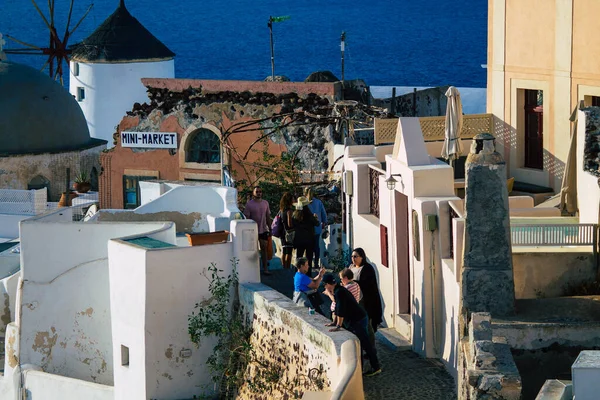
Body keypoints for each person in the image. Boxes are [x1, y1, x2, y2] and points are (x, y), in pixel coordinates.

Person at [322, 273, 382, 377]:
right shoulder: (339, 290)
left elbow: (340, 310)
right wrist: (334, 322)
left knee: (365, 344)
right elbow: (337, 308)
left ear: (328, 284)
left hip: (357, 320)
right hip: (358, 318)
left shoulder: (339, 292)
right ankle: (366, 368)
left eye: (325, 285)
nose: (325, 288)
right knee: (363, 344)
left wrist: (338, 326)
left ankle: (375, 367)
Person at [349, 247, 383, 333]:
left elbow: (367, 284)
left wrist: (352, 282)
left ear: (362, 257)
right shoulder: (351, 267)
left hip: (364, 300)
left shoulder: (367, 268)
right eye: (352, 256)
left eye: (355, 256)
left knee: (367, 323)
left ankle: (370, 345)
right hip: (353, 299)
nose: (353, 259)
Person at [244, 186, 272, 275]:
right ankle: (252, 269)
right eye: (257, 192)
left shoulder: (265, 203)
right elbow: (247, 218)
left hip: (263, 229)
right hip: (252, 230)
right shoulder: (249, 204)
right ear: (253, 193)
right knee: (253, 250)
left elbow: (268, 216)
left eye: (260, 191)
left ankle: (265, 268)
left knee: (264, 248)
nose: (259, 193)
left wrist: (270, 228)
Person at [291, 196, 319, 276]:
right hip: (309, 239)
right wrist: (315, 218)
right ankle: (308, 274)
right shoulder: (309, 215)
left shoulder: (295, 215)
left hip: (299, 239)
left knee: (298, 257)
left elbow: (293, 225)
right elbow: (316, 224)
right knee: (309, 258)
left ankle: (298, 274)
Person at [305, 187, 328, 269]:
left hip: (307, 229)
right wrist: (324, 222)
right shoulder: (318, 202)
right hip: (317, 228)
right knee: (316, 246)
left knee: (309, 247)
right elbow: (323, 213)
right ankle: (316, 264)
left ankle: (309, 264)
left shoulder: (305, 203)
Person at [278, 192, 294, 269]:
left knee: (284, 250)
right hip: (289, 233)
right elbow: (290, 224)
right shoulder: (289, 211)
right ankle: (287, 267)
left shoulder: (281, 210)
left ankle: (283, 267)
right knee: (289, 252)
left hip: (282, 233)